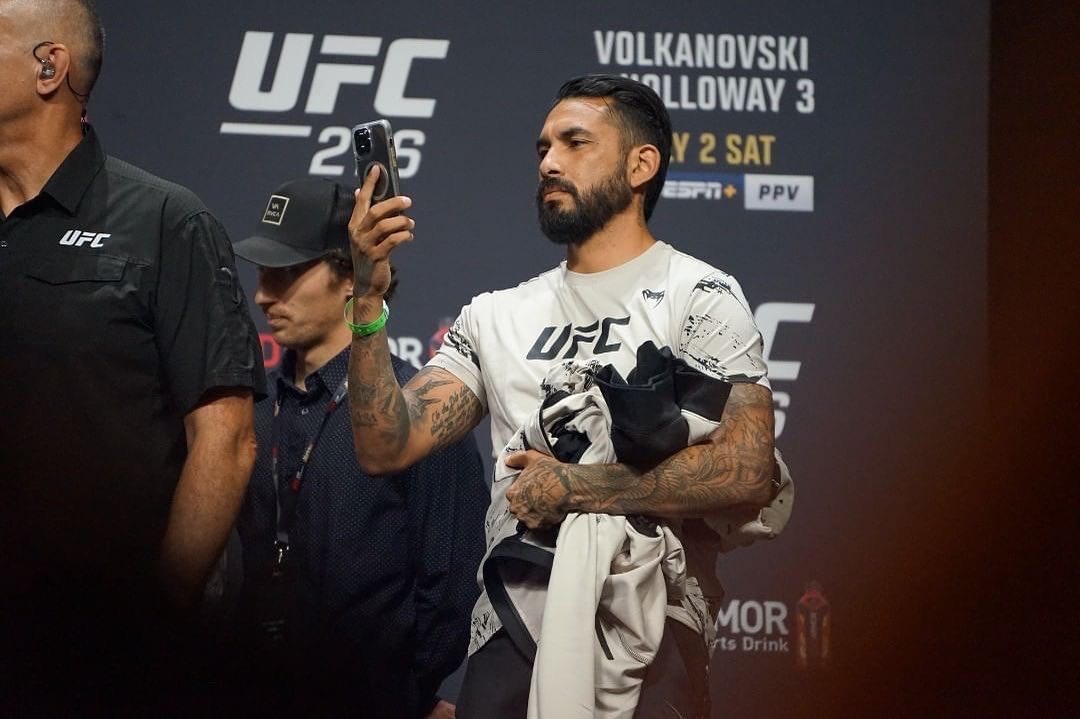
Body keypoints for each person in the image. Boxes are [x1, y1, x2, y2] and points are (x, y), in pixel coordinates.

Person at [345, 74, 781, 718]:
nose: (548, 162)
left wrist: (577, 488)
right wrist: (367, 296)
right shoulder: (495, 315)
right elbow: (386, 443)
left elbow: (747, 470)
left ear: (641, 165)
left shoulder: (700, 295)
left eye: (575, 143)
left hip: (651, 630)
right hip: (512, 629)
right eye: (543, 148)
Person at [0, 0, 264, 699]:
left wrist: (158, 617)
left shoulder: (164, 222)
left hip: (102, 650)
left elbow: (226, 439)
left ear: (50, 67)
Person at [231, 178, 488, 719]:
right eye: (260, 273)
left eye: (285, 273)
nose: (263, 295)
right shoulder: (248, 409)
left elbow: (450, 588)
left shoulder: (417, 418)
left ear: (351, 276)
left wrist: (402, 696)